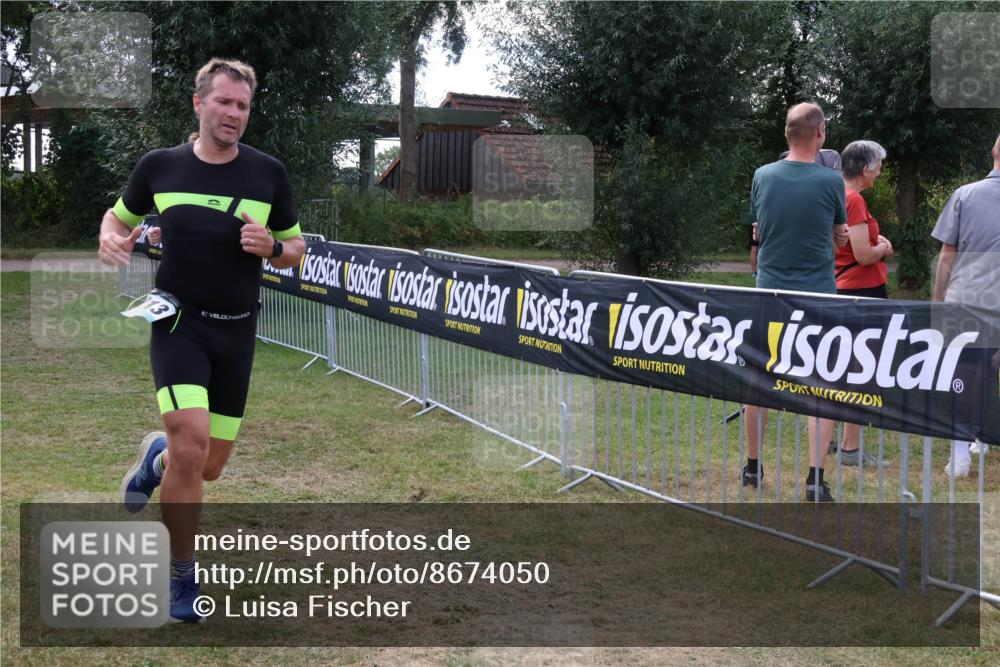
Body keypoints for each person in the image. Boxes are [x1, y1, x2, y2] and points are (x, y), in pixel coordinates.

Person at [97, 58, 306, 622]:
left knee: (207, 465)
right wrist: (111, 241)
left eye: (242, 106)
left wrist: (272, 250)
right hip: (177, 322)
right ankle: (181, 579)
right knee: (191, 438)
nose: (234, 114)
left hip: (237, 331)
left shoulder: (267, 174)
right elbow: (116, 220)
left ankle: (155, 461)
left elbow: (296, 250)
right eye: (224, 102)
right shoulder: (159, 167)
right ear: (199, 103)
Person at [744, 102, 849, 502]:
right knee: (820, 386)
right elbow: (839, 235)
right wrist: (834, 236)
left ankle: (752, 467)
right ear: (819, 131)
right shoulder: (830, 181)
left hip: (768, 291)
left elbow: (761, 227)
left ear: (787, 134)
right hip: (818, 295)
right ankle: (814, 477)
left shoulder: (762, 176)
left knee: (758, 380)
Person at [932, 133, 1000, 478]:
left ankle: (962, 452)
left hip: (967, 302)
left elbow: (947, 255)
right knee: (986, 371)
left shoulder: (964, 195)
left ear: (993, 152)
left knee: (963, 375)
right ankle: (979, 437)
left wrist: (937, 300)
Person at [833, 140, 893, 466]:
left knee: (840, 367)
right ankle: (850, 448)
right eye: (879, 165)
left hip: (845, 289)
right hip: (862, 292)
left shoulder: (838, 194)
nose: (881, 171)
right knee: (860, 370)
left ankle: (834, 441)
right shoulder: (853, 199)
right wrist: (883, 247)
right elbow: (862, 254)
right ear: (865, 168)